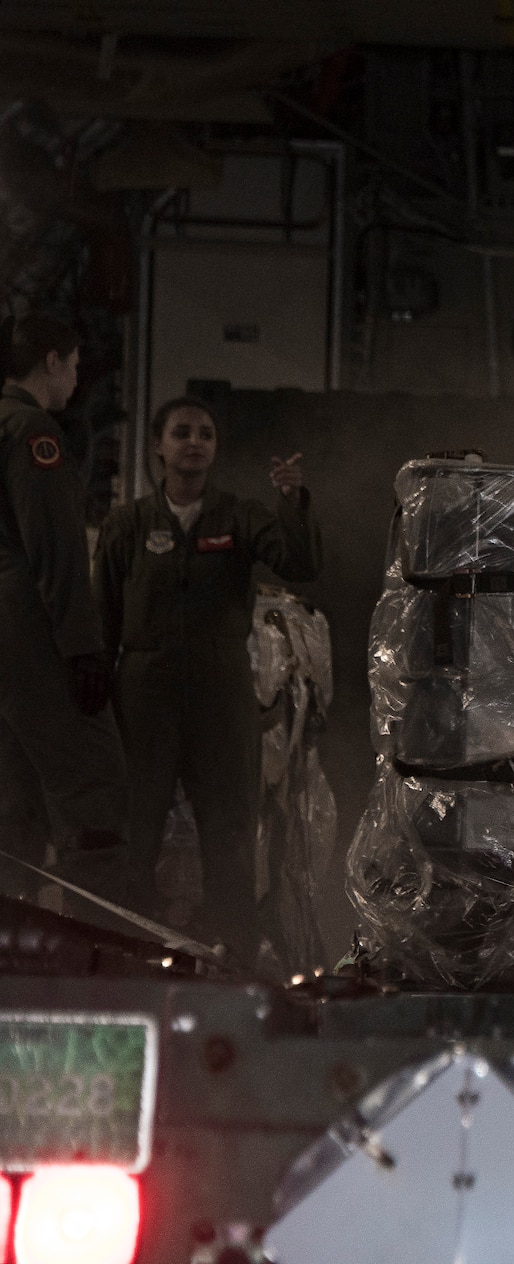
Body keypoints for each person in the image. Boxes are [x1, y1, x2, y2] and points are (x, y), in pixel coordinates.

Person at [94, 397, 320, 962]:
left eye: (205, 434)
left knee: (230, 831)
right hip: (144, 686)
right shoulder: (128, 524)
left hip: (220, 688)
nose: (194, 442)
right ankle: (129, 950)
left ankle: (235, 954)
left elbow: (300, 564)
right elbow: (103, 618)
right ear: (158, 446)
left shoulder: (238, 516)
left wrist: (291, 500)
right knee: (135, 827)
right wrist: (95, 691)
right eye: (182, 432)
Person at [0, 311, 133, 916]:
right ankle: (95, 952)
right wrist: (83, 649)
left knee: (15, 799)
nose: (77, 380)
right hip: (30, 632)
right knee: (93, 788)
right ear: (51, 359)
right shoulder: (32, 432)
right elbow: (54, 550)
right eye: (75, 364)